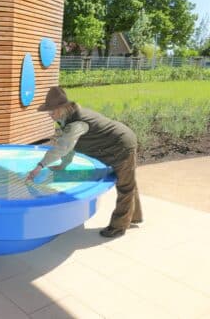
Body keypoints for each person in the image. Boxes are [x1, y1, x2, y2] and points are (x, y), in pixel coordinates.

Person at [26, 86, 143, 238]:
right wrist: (63, 165)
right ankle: (134, 216)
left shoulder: (77, 123)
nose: (50, 115)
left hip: (122, 145)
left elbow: (63, 147)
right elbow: (70, 146)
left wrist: (39, 166)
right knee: (129, 183)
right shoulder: (68, 117)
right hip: (113, 144)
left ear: (61, 108)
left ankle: (119, 226)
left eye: (51, 111)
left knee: (125, 186)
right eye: (48, 112)